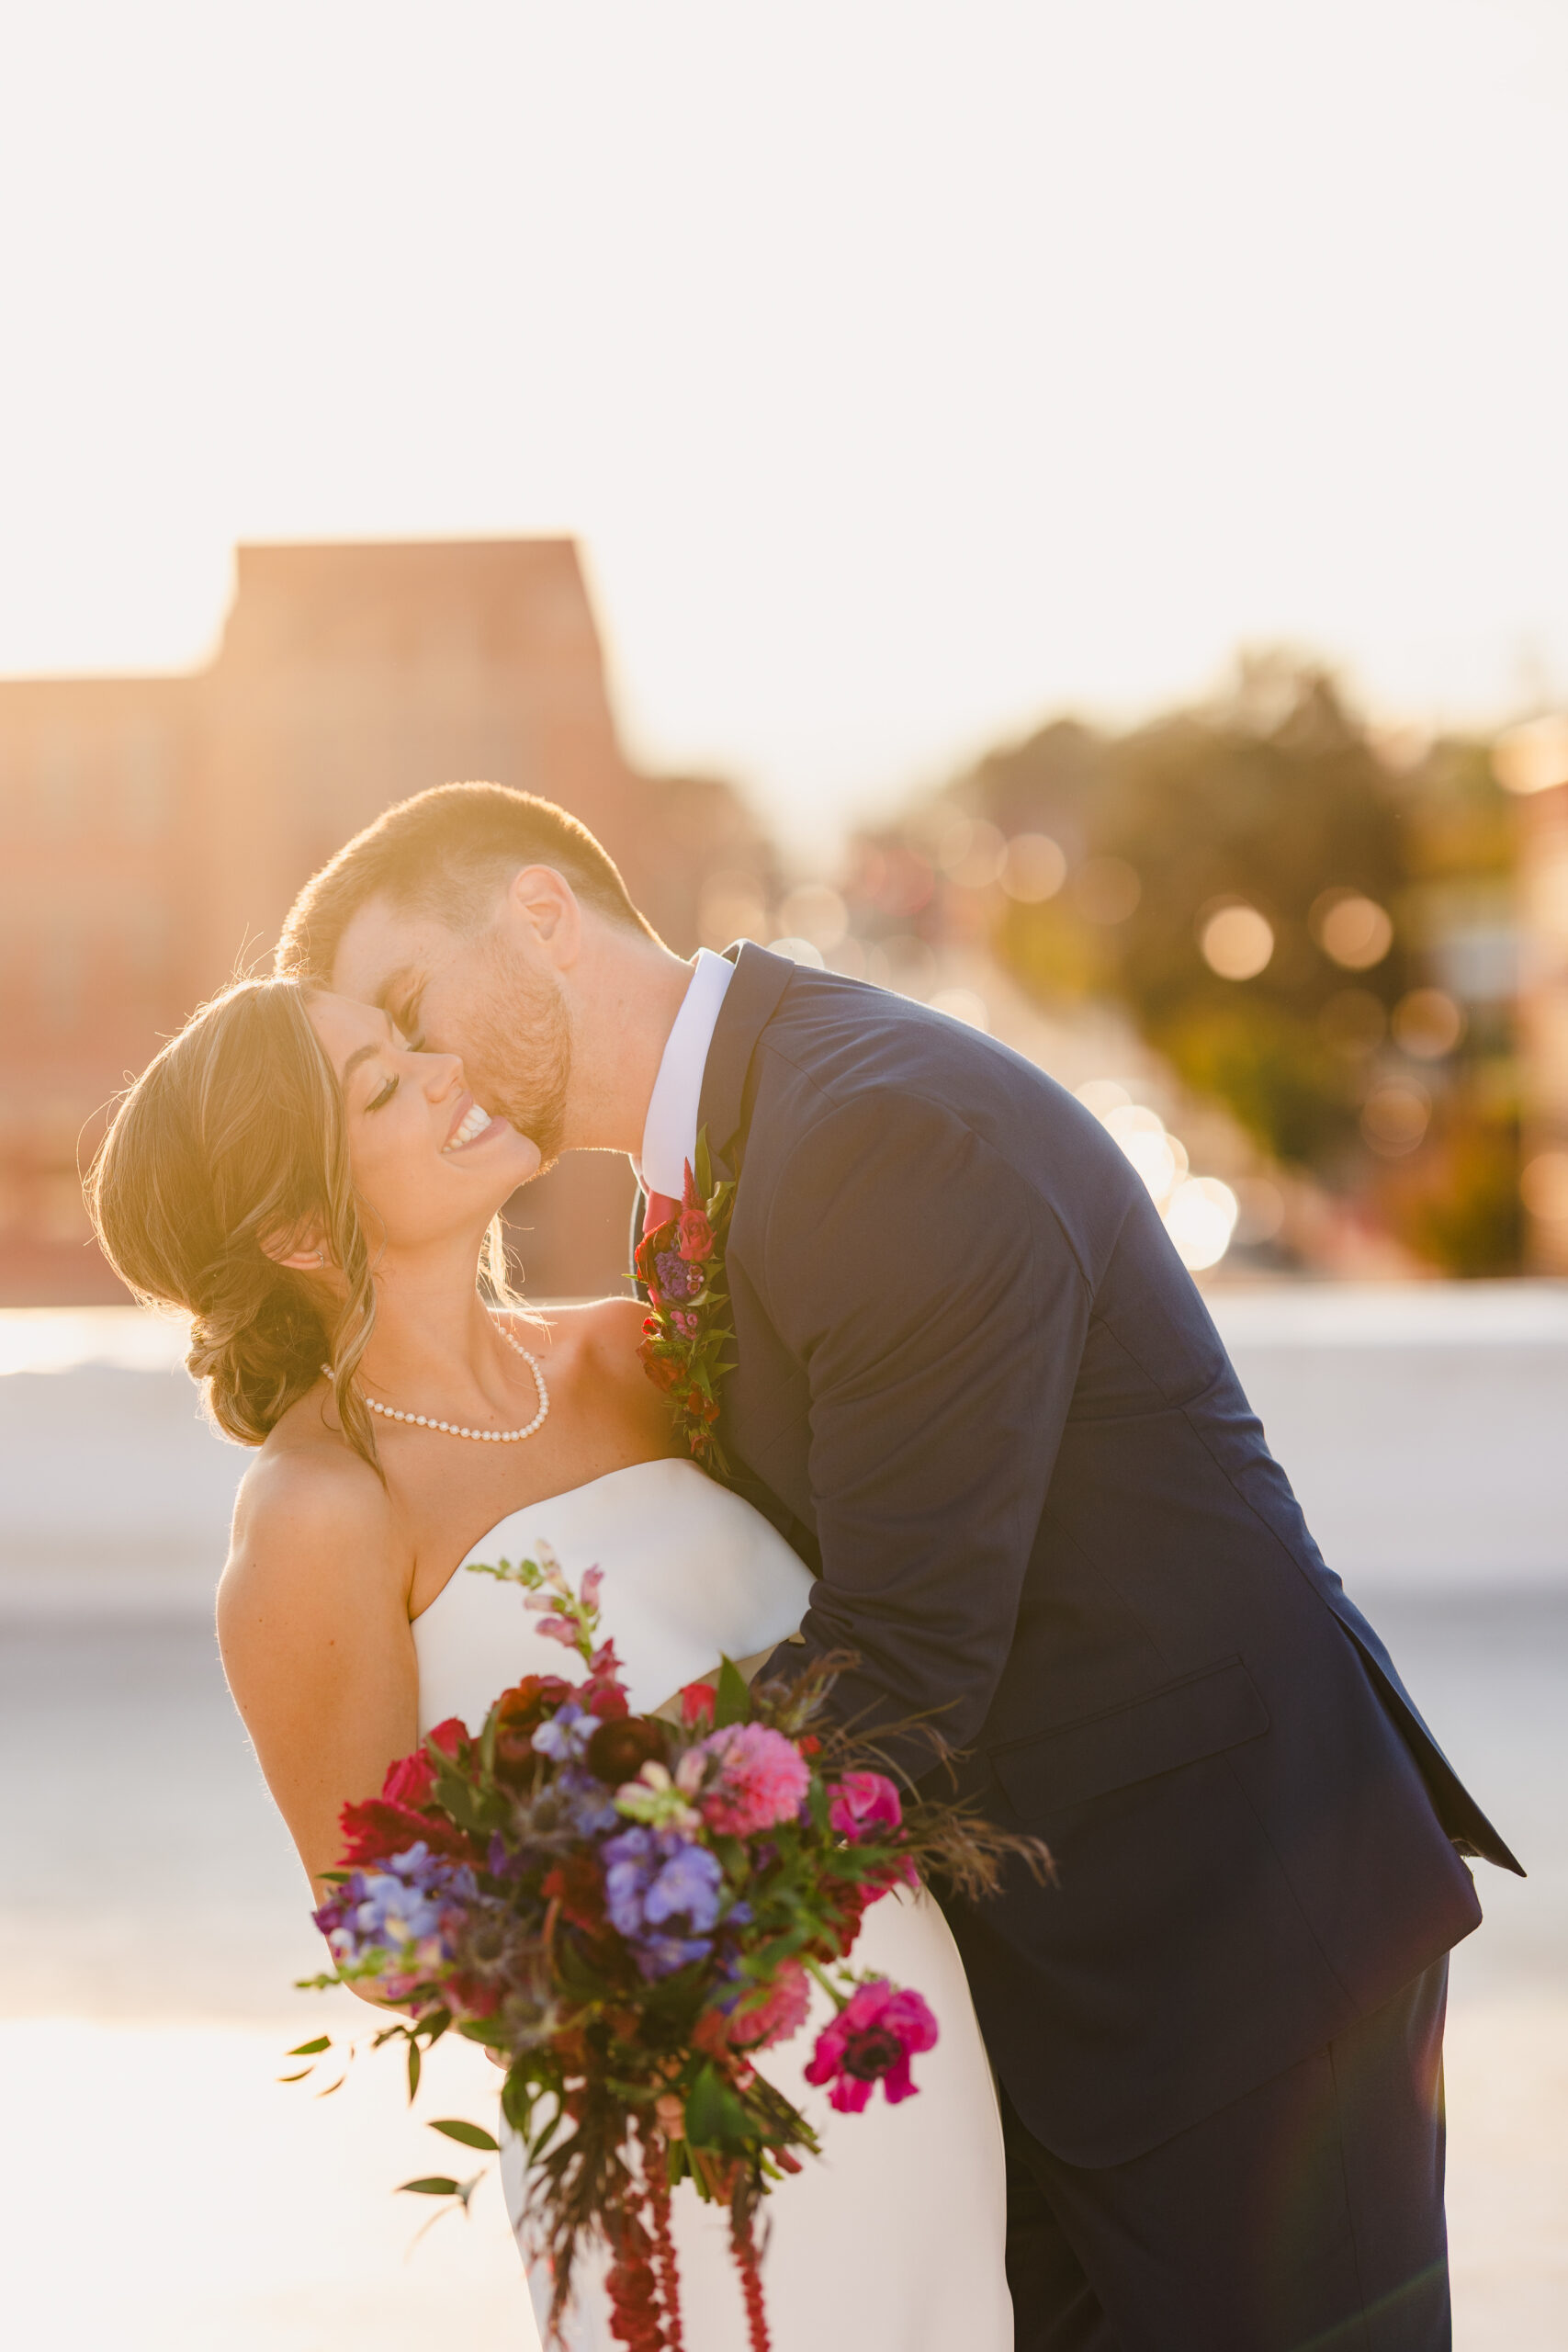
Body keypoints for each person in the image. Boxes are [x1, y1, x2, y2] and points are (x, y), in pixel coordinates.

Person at [271, 780, 1521, 2352]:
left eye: (409, 1008)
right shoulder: (743, 1135)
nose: (427, 1075)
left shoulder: (871, 1130)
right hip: (1054, 1989)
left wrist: (602, 1919)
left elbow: (905, 1659)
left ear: (540, 917)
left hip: (1224, 1959)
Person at [85, 973, 1012, 2352]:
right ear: (294, 1227)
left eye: (412, 1043)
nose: (446, 1068)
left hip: (904, 2036)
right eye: (385, 1086)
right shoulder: (319, 1513)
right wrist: (629, 1939)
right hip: (679, 2127)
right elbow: (388, 1936)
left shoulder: (639, 1351)